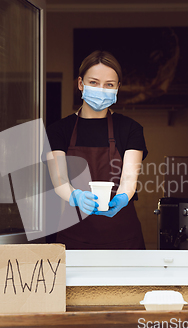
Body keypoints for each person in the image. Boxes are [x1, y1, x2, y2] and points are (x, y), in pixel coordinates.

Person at [45, 50, 147, 250]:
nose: (101, 89)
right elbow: (60, 181)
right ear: (81, 84)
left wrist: (123, 196)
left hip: (124, 240)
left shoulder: (130, 129)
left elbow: (128, 180)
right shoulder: (58, 131)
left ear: (117, 88)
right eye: (94, 82)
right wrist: (75, 196)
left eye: (109, 85)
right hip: (74, 238)